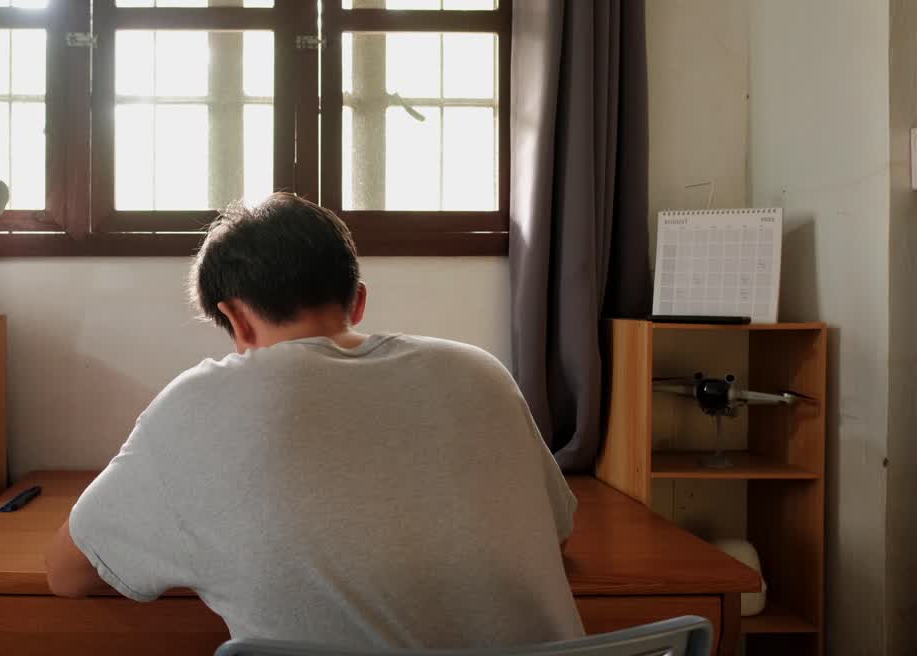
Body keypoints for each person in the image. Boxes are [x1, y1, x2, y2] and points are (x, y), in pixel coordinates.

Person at [45, 193, 583, 649]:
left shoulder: (197, 405)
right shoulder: (482, 372)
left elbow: (67, 574)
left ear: (233, 317)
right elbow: (555, 536)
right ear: (359, 301)